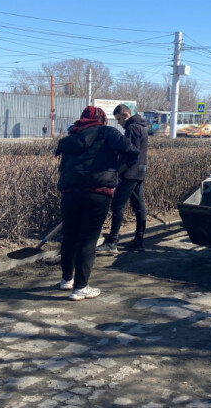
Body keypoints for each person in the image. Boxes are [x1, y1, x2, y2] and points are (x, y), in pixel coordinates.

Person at [55, 106, 139, 300]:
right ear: (102, 119)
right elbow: (132, 151)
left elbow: (63, 167)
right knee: (88, 239)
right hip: (97, 192)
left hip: (70, 193)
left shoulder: (70, 138)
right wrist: (116, 170)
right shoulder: (108, 132)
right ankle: (81, 288)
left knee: (69, 237)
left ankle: (66, 280)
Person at [96, 104, 149, 255]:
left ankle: (112, 242)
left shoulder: (132, 128)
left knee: (117, 205)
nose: (118, 122)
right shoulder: (141, 127)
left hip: (130, 173)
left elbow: (131, 154)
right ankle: (138, 241)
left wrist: (119, 171)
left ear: (126, 115)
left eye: (119, 119)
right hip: (139, 171)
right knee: (139, 206)